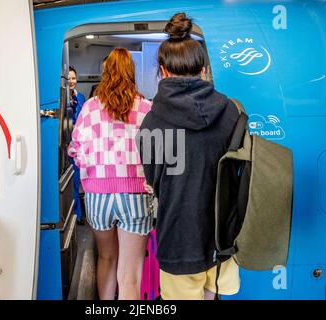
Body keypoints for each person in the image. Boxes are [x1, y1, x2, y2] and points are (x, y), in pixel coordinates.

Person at [137, 13, 241, 300]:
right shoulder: (231, 112)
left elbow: (154, 183)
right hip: (223, 234)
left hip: (179, 236)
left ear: (163, 70)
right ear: (204, 68)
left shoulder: (151, 124)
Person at [68, 48, 153, 300]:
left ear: (106, 73)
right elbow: (155, 154)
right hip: (136, 195)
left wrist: (93, 169)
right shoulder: (146, 108)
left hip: (97, 196)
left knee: (106, 257)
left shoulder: (91, 107)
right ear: (131, 73)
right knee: (130, 275)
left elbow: (75, 148)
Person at [68, 66, 86, 224]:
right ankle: (76, 216)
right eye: (68, 78)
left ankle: (79, 214)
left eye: (73, 78)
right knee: (72, 183)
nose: (71, 81)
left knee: (78, 180)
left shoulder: (81, 98)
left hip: (79, 145)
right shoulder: (61, 99)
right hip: (66, 144)